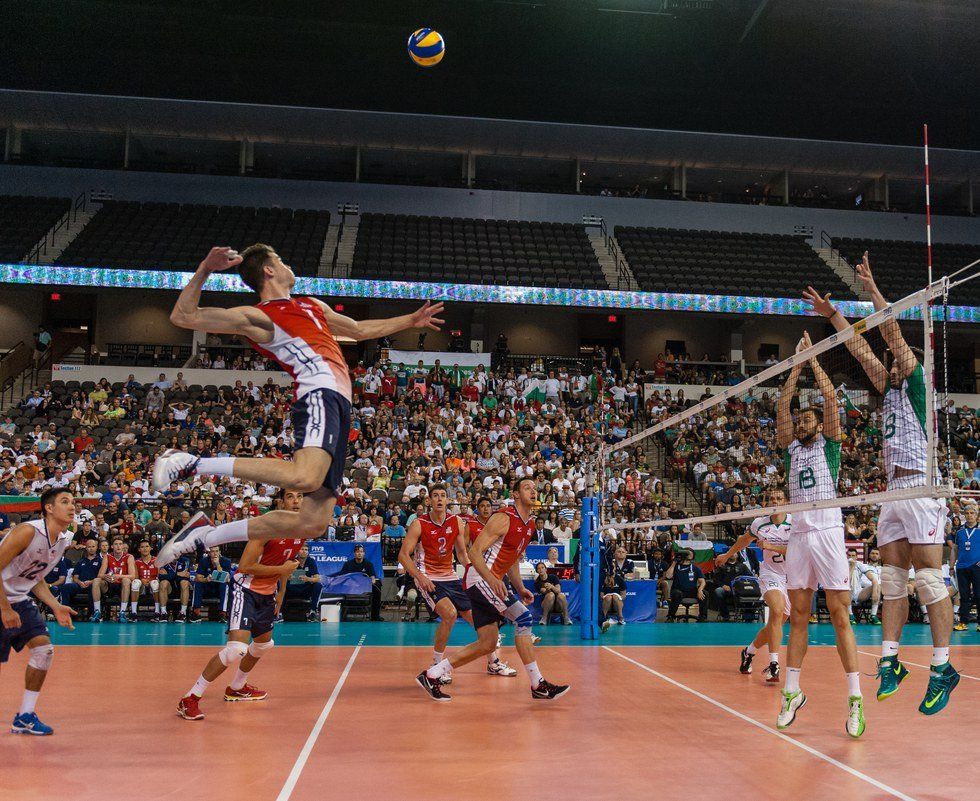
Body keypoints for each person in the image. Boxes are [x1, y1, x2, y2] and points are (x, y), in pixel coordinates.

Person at [152, 245, 444, 568]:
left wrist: (411, 320)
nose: (287, 263)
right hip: (318, 392)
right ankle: (190, 463)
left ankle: (204, 536)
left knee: (313, 523)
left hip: (341, 404)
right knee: (304, 478)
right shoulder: (260, 316)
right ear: (269, 270)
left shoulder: (311, 305)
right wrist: (205, 268)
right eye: (280, 259)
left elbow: (359, 331)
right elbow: (183, 316)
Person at [805, 254, 959, 715]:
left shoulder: (915, 385)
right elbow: (860, 348)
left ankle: (942, 667)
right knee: (893, 579)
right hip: (893, 492)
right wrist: (832, 314)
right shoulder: (888, 385)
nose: (891, 363)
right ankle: (891, 661)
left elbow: (889, 333)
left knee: (930, 579)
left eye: (896, 360)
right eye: (890, 363)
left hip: (919, 490)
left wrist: (872, 289)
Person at [775, 331, 864, 737]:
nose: (802, 422)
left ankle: (855, 697)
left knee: (840, 614)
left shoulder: (830, 446)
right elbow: (781, 405)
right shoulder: (791, 448)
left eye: (808, 418)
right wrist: (793, 366)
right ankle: (792, 691)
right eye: (801, 419)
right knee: (799, 616)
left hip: (828, 531)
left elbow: (830, 399)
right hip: (799, 535)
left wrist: (812, 358)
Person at [416, 478, 569, 701]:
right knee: (524, 619)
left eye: (535, 488)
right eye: (527, 488)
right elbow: (475, 553)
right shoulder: (503, 518)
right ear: (515, 494)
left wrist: (519, 587)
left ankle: (432, 674)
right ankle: (538, 684)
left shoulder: (529, 525)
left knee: (487, 643)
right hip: (479, 578)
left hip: (489, 580)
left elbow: (513, 560)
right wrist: (492, 579)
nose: (533, 491)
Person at [177, 490, 304, 720]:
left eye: (300, 497)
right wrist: (281, 571)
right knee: (236, 649)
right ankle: (190, 698)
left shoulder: (300, 530)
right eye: (291, 497)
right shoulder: (266, 529)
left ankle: (236, 688)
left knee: (264, 645)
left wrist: (281, 593)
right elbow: (244, 566)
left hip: (267, 595)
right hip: (245, 590)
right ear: (281, 501)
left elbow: (287, 565)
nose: (296, 501)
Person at [398, 485, 516, 682]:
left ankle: (493, 663)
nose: (439, 499)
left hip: (451, 577)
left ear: (447, 500)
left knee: (480, 621)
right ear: (429, 501)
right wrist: (420, 577)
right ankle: (437, 664)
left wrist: (474, 571)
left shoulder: (457, 522)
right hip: (429, 577)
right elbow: (403, 555)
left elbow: (461, 553)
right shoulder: (419, 523)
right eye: (435, 496)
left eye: (443, 496)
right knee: (450, 614)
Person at [0, 487, 78, 734]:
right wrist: (4, 608)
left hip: (19, 599)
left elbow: (36, 576)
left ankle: (25, 716)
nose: (72, 506)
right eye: (65, 501)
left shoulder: (63, 540)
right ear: (49, 508)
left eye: (73, 502)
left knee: (43, 650)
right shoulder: (27, 532)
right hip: (2, 598)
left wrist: (54, 605)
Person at [717, 487, 792, 682]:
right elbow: (744, 540)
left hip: (792, 578)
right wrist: (727, 555)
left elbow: (797, 551)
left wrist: (770, 546)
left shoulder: (795, 523)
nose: (775, 501)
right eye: (771, 498)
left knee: (775, 625)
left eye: (779, 498)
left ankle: (749, 652)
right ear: (767, 503)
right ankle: (774, 664)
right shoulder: (760, 523)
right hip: (770, 574)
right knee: (776, 611)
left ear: (785, 501)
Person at [950, 504, 980, 632]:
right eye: (967, 513)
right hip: (962, 567)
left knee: (979, 595)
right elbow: (954, 550)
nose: (969, 515)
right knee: (964, 596)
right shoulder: (960, 532)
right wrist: (951, 566)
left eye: (972, 513)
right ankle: (963, 622)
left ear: (977, 515)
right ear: (964, 515)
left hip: (977, 567)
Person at [93, 537, 135, 623]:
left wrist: (118, 576)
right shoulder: (107, 557)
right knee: (96, 580)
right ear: (112, 546)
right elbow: (100, 575)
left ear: (123, 546)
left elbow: (132, 576)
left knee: (126, 580)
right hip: (110, 585)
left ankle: (122, 612)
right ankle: (97, 612)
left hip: (123, 586)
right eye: (116, 544)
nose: (118, 546)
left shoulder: (129, 557)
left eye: (120, 544)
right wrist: (106, 576)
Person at [338, 545, 382, 621]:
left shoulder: (368, 564)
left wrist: (371, 582)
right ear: (354, 553)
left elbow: (373, 577)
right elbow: (342, 577)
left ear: (364, 553)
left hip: (364, 587)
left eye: (361, 552)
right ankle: (342, 615)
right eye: (357, 552)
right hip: (351, 586)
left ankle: (375, 616)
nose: (359, 553)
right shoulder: (348, 564)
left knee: (377, 586)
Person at [192, 546, 233, 623]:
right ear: (209, 553)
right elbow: (198, 577)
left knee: (224, 585)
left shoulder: (226, 561)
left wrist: (217, 564)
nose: (215, 553)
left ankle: (222, 614)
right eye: (212, 551)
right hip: (207, 588)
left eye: (217, 551)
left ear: (220, 552)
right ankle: (196, 613)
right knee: (198, 584)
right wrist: (206, 579)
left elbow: (227, 578)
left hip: (219, 589)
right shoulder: (203, 561)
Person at [665, 550, 706, 622]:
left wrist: (700, 590)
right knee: (677, 593)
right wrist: (674, 562)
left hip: (691, 591)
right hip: (678, 590)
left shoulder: (695, 568)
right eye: (686, 553)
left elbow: (702, 581)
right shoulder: (676, 566)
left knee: (705, 593)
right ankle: (671, 616)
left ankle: (702, 617)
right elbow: (668, 576)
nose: (688, 554)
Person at [284, 544, 322, 621]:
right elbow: (282, 576)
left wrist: (307, 579)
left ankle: (313, 611)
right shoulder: (291, 561)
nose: (304, 551)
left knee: (318, 585)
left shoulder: (311, 561)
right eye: (302, 549)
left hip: (305, 589)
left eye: (306, 550)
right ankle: (280, 613)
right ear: (297, 551)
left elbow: (317, 578)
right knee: (281, 584)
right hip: (292, 589)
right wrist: (288, 577)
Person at [131, 540, 164, 622]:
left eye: (147, 546)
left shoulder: (157, 560)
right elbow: (135, 577)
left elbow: (160, 576)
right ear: (139, 549)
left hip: (154, 586)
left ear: (151, 548)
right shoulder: (136, 562)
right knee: (135, 582)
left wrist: (152, 581)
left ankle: (157, 612)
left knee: (155, 583)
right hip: (142, 587)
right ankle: (133, 613)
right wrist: (141, 581)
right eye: (142, 547)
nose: (145, 549)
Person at [848, 548, 881, 625]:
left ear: (856, 557)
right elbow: (845, 581)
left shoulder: (860, 565)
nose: (851, 557)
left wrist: (874, 591)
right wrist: (852, 567)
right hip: (846, 592)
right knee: (846, 588)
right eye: (849, 555)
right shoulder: (842, 565)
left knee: (877, 586)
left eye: (853, 555)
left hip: (858, 592)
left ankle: (873, 615)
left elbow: (873, 579)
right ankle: (850, 615)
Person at [159, 555, 194, 623]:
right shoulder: (164, 561)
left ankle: (182, 613)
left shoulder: (185, 560)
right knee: (163, 583)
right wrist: (177, 574)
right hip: (169, 589)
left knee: (185, 582)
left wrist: (169, 575)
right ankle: (163, 613)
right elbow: (161, 577)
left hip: (181, 587)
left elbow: (186, 576)